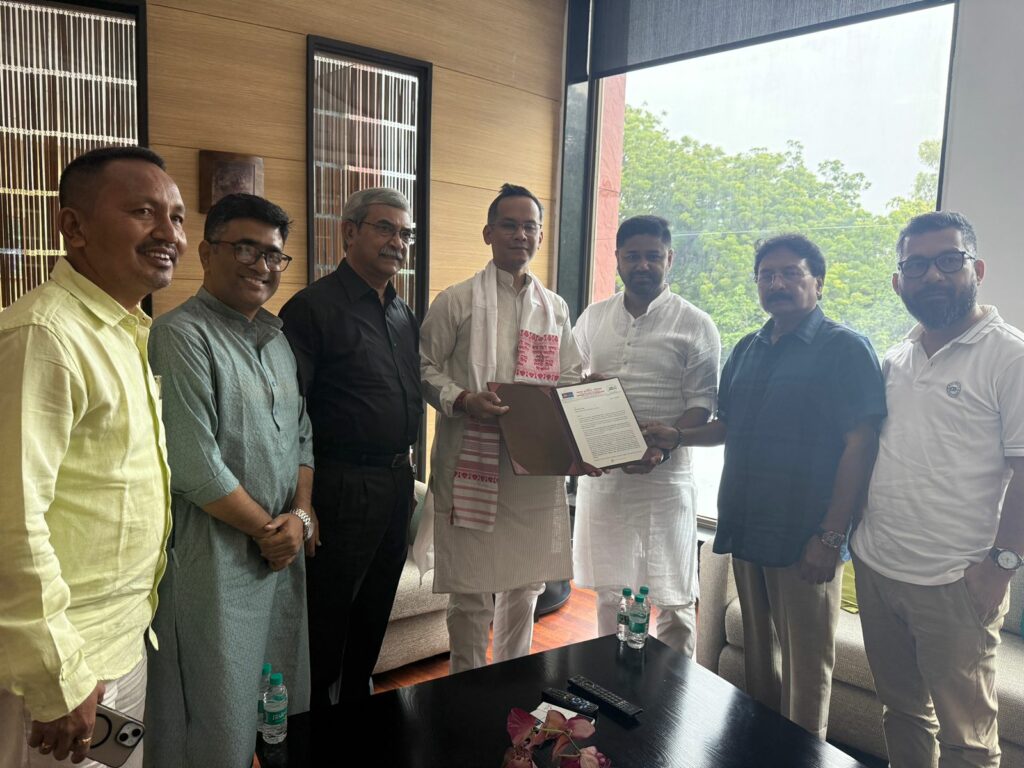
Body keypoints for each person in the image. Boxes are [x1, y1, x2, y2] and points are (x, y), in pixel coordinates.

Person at [646, 233, 885, 738]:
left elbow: (861, 445)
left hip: (805, 537)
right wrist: (678, 436)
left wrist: (831, 536)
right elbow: (729, 426)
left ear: (818, 282)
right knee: (760, 665)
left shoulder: (844, 348)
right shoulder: (749, 348)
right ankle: (758, 751)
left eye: (791, 273)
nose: (777, 283)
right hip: (748, 527)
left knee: (806, 672)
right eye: (767, 275)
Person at [0, 146, 183, 767]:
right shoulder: (43, 336)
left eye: (176, 217)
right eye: (143, 212)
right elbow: (11, 523)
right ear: (73, 227)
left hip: (118, 644)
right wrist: (57, 678)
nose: (169, 234)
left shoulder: (128, 331)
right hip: (57, 669)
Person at [143, 194, 314, 767]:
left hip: (280, 556)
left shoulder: (277, 340)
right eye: (245, 249)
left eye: (273, 255)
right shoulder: (179, 335)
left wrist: (300, 519)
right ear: (206, 251)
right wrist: (272, 532)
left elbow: (303, 435)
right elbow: (195, 462)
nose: (261, 266)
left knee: (276, 702)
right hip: (215, 560)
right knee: (214, 717)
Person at [851, 211, 1024, 768]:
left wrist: (1000, 567)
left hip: (955, 582)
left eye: (949, 261)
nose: (933, 275)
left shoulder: (1011, 356)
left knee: (967, 741)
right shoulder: (895, 357)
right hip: (878, 569)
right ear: (898, 281)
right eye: (917, 265)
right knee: (902, 713)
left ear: (977, 269)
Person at [420, 183, 583, 673]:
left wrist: (586, 413)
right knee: (471, 591)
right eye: (509, 225)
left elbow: (571, 376)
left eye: (530, 226)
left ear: (540, 236)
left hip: (533, 469)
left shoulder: (555, 307)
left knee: (527, 584)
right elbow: (423, 367)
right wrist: (464, 399)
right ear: (488, 233)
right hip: (472, 460)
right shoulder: (456, 300)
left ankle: (512, 682)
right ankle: (466, 689)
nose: (520, 234)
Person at [279, 188, 422, 707]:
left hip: (396, 482)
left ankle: (359, 717)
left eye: (405, 233)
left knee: (375, 609)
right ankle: (315, 725)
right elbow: (289, 413)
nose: (397, 242)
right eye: (385, 228)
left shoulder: (402, 312)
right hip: (340, 485)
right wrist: (303, 500)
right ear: (349, 232)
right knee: (327, 616)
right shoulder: (312, 308)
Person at [572, 215, 720, 656]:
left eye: (653, 256)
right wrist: (585, 385)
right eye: (633, 256)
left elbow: (702, 402)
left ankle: (677, 689)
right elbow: (570, 379)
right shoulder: (594, 317)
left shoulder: (696, 323)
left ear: (669, 259)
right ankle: (609, 678)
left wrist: (661, 446)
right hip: (606, 479)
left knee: (674, 598)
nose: (642, 265)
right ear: (617, 258)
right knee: (609, 591)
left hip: (666, 480)